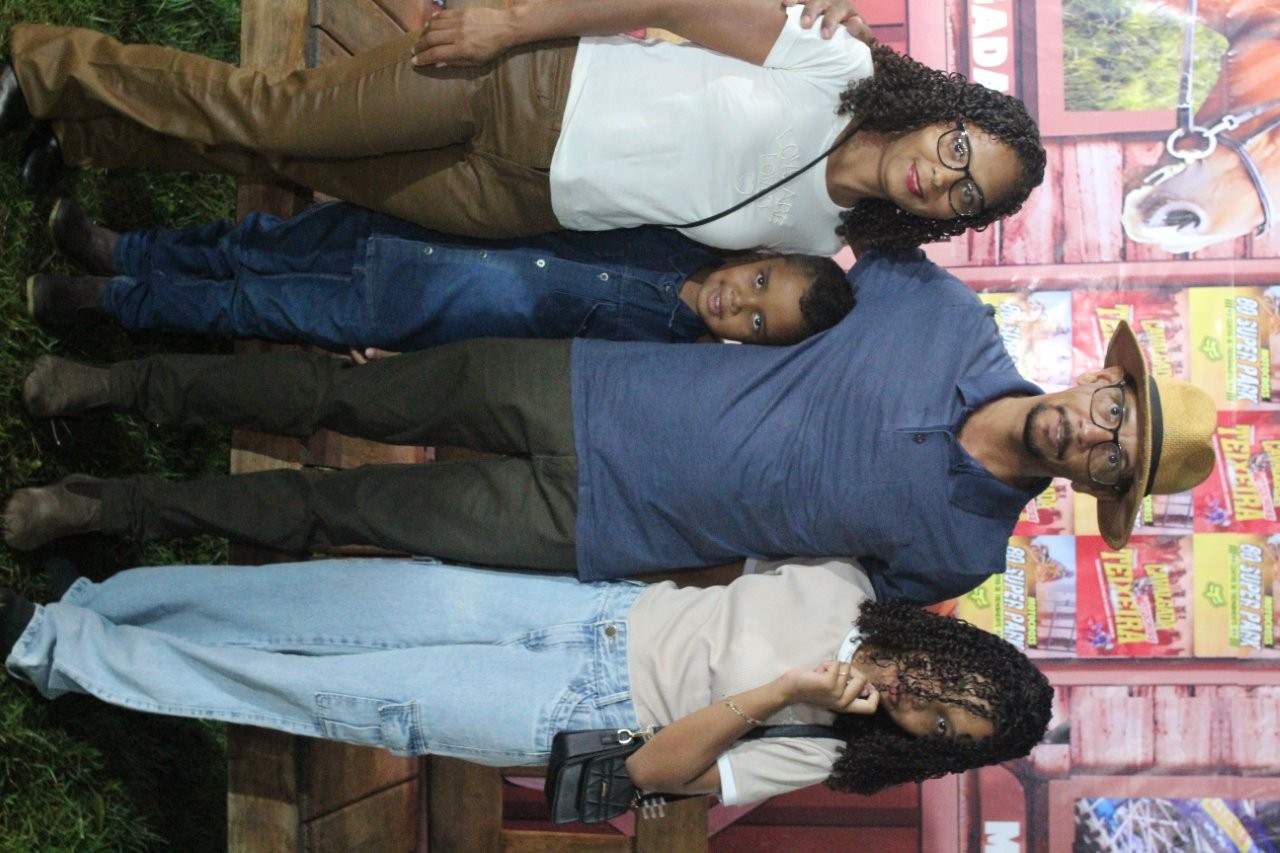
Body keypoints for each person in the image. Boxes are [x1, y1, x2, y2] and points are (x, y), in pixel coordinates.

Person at [3, 249, 1219, 604]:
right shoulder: (935, 308)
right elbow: (838, 181)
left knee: (338, 508)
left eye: (1114, 454)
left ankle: (103, 509)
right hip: (579, 382)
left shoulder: (964, 554)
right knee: (336, 392)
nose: (1094, 430)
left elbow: (788, 594)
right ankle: (109, 387)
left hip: (589, 525)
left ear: (1097, 488)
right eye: (1115, 406)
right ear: (1097, 374)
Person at [0, 0, 1046, 254]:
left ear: (951, 219)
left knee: (282, 152)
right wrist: (509, 23)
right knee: (275, 111)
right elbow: (670, 2)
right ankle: (41, 65)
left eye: (967, 193)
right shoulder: (838, 63)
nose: (942, 175)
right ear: (947, 114)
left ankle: (86, 137)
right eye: (960, 148)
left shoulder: (820, 242)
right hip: (522, 86)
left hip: (513, 200)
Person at [0, 556, 1055, 802]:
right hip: (585, 609)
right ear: (961, 652)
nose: (923, 709)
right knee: (325, 600)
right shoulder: (844, 579)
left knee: (319, 691)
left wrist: (781, 693)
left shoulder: (823, 750)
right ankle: (105, 603)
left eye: (944, 731)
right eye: (950, 692)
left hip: (574, 709)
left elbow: (650, 774)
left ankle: (50, 646)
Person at [27, 198, 852, 350]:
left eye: (757, 322)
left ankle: (106, 299)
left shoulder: (660, 351)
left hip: (406, 312)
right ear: (759, 254)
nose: (737, 304)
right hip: (412, 230)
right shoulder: (675, 231)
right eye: (759, 283)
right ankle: (123, 250)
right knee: (259, 244)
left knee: (251, 306)